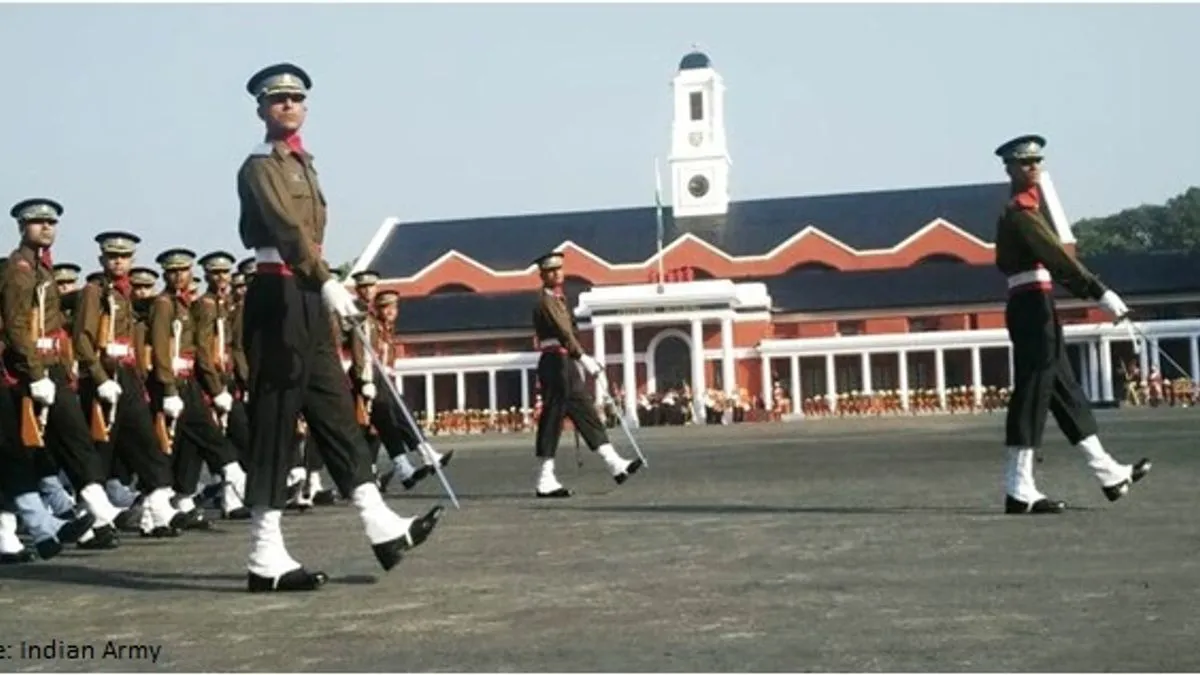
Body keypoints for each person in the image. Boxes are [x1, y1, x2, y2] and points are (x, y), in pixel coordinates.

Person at [235, 62, 441, 592]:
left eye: (296, 98)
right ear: (260, 108)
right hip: (278, 294)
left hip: (306, 294)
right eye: (277, 99)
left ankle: (380, 523)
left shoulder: (305, 164)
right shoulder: (261, 166)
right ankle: (264, 553)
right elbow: (285, 229)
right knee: (277, 420)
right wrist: (326, 280)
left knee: (334, 409)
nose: (288, 105)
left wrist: (324, 286)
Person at [992, 134, 1150, 514]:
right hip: (1032, 307)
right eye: (1024, 162)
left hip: (1039, 304)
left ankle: (1108, 472)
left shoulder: (1030, 210)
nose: (1033, 167)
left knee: (1064, 391)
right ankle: (1019, 488)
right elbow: (1059, 261)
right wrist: (1100, 293)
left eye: (1036, 161)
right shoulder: (1021, 214)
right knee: (1033, 393)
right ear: (1010, 169)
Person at [0, 198, 123, 545]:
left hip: (48, 366)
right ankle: (48, 524)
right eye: (37, 222)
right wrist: (37, 374)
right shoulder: (19, 271)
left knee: (64, 440)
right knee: (19, 450)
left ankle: (88, 513)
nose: (46, 227)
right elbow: (17, 328)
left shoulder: (41, 270)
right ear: (22, 228)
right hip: (25, 372)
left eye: (50, 222)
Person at [73, 231, 187, 536]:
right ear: (102, 259)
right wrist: (98, 379)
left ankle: (154, 513)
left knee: (147, 443)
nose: (118, 261)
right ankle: (90, 520)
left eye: (124, 256)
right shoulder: (93, 292)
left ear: (132, 260)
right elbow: (83, 341)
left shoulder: (122, 294)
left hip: (126, 375)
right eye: (112, 256)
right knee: (100, 449)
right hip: (104, 378)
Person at [530, 252, 641, 497]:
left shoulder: (559, 299)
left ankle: (614, 462)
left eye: (559, 269)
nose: (556, 274)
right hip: (555, 362)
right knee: (553, 417)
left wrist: (577, 358)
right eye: (550, 271)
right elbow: (563, 332)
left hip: (565, 362)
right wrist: (583, 357)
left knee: (585, 411)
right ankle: (545, 478)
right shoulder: (546, 301)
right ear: (542, 275)